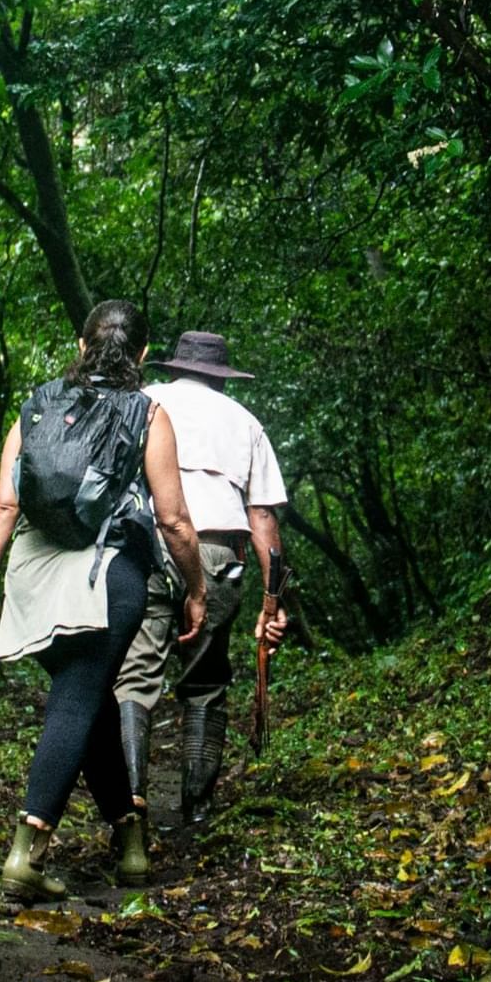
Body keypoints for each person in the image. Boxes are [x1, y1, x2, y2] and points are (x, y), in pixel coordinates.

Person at [0, 300, 208, 899]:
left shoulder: (36, 406)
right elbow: (174, 520)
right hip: (112, 579)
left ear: (81, 345)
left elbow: (4, 504)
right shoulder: (147, 414)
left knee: (87, 694)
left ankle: (130, 840)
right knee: (80, 696)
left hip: (34, 573)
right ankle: (27, 851)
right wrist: (195, 588)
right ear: (144, 354)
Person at [113, 331, 289, 828]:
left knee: (135, 674)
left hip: (144, 546)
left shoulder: (143, 402)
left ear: (174, 368)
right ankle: (198, 808)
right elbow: (263, 520)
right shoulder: (245, 422)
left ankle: (131, 808)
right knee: (206, 680)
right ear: (221, 376)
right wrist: (273, 601)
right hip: (215, 553)